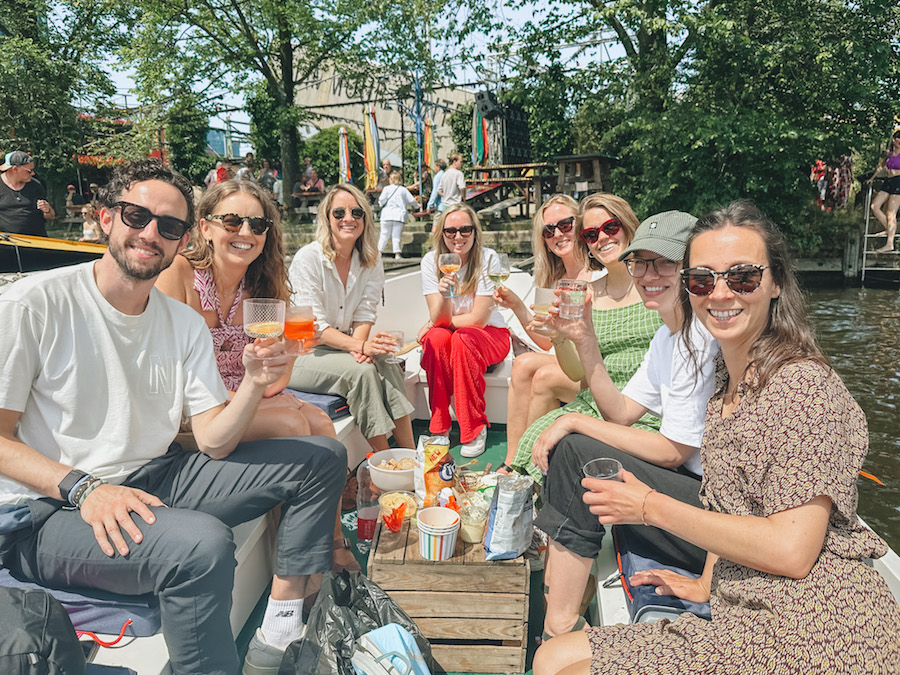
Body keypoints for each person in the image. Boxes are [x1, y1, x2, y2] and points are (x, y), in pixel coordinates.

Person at [0, 158, 347, 675]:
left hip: (156, 476)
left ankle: (279, 627)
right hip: (50, 512)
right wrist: (83, 488)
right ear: (105, 218)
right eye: (136, 216)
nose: (150, 234)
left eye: (168, 226)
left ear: (184, 237)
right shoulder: (35, 302)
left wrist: (253, 383)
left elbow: (213, 440)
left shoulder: (182, 323)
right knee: (203, 545)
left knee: (322, 456)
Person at [533, 200, 900, 675]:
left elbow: (792, 551)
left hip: (815, 625)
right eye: (703, 280)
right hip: (745, 599)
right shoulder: (728, 386)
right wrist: (706, 582)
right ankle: (557, 623)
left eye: (742, 277)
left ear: (776, 283)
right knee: (551, 657)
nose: (720, 293)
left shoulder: (804, 387)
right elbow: (726, 498)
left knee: (564, 668)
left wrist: (647, 507)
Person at [155, 179, 358, 578]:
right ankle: (300, 568)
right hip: (193, 412)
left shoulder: (265, 286)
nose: (246, 233)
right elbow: (168, 373)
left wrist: (280, 367)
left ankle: (330, 542)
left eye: (258, 225)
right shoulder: (178, 274)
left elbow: (276, 380)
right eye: (232, 221)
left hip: (247, 398)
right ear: (205, 227)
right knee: (294, 422)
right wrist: (247, 394)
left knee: (318, 421)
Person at [533, 210, 718, 639]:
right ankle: (559, 616)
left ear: (691, 269)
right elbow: (621, 412)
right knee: (576, 447)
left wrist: (576, 420)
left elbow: (674, 451)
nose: (648, 275)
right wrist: (585, 339)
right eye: (640, 263)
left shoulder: (700, 339)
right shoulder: (666, 338)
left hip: (714, 517)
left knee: (577, 448)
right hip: (691, 490)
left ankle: (559, 625)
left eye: (664, 263)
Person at [509, 193, 662, 482]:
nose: (602, 237)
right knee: (534, 439)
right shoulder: (587, 293)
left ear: (629, 226)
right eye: (591, 234)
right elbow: (578, 371)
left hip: (647, 408)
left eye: (611, 228)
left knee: (563, 439)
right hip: (595, 401)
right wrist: (559, 338)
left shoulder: (655, 284)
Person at [288, 183, 415, 452]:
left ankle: (411, 456)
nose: (349, 218)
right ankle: (387, 461)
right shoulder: (307, 259)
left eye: (357, 212)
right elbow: (316, 328)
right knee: (363, 372)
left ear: (365, 219)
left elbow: (365, 312)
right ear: (327, 218)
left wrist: (362, 348)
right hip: (302, 353)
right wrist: (360, 349)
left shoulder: (370, 259)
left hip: (342, 346)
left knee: (387, 360)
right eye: (339, 213)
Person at [495, 195, 593, 473]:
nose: (558, 234)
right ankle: (513, 460)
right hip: (570, 360)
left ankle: (529, 471)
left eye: (565, 224)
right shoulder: (555, 277)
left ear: (581, 223)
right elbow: (545, 339)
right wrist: (516, 305)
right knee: (524, 362)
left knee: (543, 375)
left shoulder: (595, 273)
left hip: (593, 368)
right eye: (549, 231)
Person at [418, 204, 511, 457]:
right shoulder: (430, 261)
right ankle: (439, 427)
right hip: (456, 335)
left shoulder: (486, 258)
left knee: (461, 337)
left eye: (465, 229)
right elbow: (440, 320)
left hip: (490, 335)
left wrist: (437, 322)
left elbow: (479, 320)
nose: (458, 237)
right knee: (436, 339)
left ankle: (474, 427)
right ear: (442, 234)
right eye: (451, 231)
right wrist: (445, 294)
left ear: (474, 231)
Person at [0, 151, 55, 237]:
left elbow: (51, 215)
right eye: (29, 171)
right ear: (15, 169)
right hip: (8, 243)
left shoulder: (36, 185)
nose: (33, 173)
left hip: (36, 241)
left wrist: (47, 210)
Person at [869, 128, 900, 253]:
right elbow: (880, 167)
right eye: (897, 138)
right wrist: (872, 178)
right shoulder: (888, 154)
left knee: (891, 213)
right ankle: (888, 229)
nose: (899, 141)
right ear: (894, 139)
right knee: (874, 206)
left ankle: (890, 243)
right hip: (888, 181)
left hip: (899, 181)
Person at [378, 170, 419, 259]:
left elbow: (381, 200)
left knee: (384, 235)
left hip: (387, 214)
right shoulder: (403, 190)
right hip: (399, 215)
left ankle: (379, 252)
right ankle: (397, 253)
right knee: (396, 235)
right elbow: (412, 200)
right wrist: (417, 206)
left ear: (392, 179)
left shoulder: (386, 189)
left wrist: (381, 204)